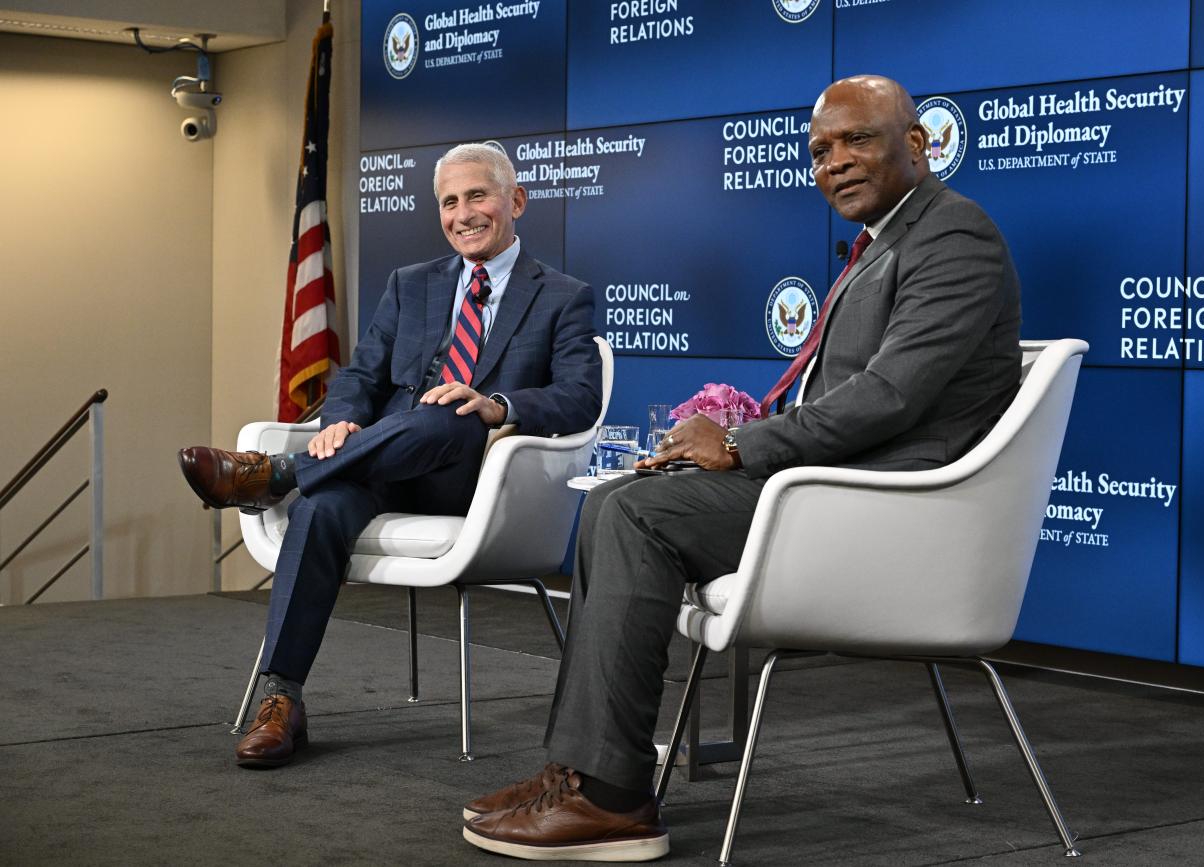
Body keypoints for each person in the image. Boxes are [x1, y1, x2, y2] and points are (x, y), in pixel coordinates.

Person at [460, 75, 1023, 861]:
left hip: (888, 511)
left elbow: (890, 397)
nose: (836, 164)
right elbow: (858, 396)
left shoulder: (953, 236)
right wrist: (738, 434)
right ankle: (579, 770)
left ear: (918, 144)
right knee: (620, 497)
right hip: (836, 489)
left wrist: (745, 447)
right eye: (821, 151)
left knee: (633, 513)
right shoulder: (886, 243)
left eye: (857, 140)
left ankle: (615, 797)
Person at [177, 143, 603, 769]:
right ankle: (282, 699)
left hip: (474, 481)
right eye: (449, 202)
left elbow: (580, 396)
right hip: (378, 466)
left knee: (450, 413)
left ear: (515, 201)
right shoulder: (412, 285)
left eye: (478, 196)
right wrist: (343, 420)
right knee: (319, 510)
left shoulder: (563, 295)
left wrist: (497, 405)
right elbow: (359, 375)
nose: (464, 214)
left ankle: (280, 475)